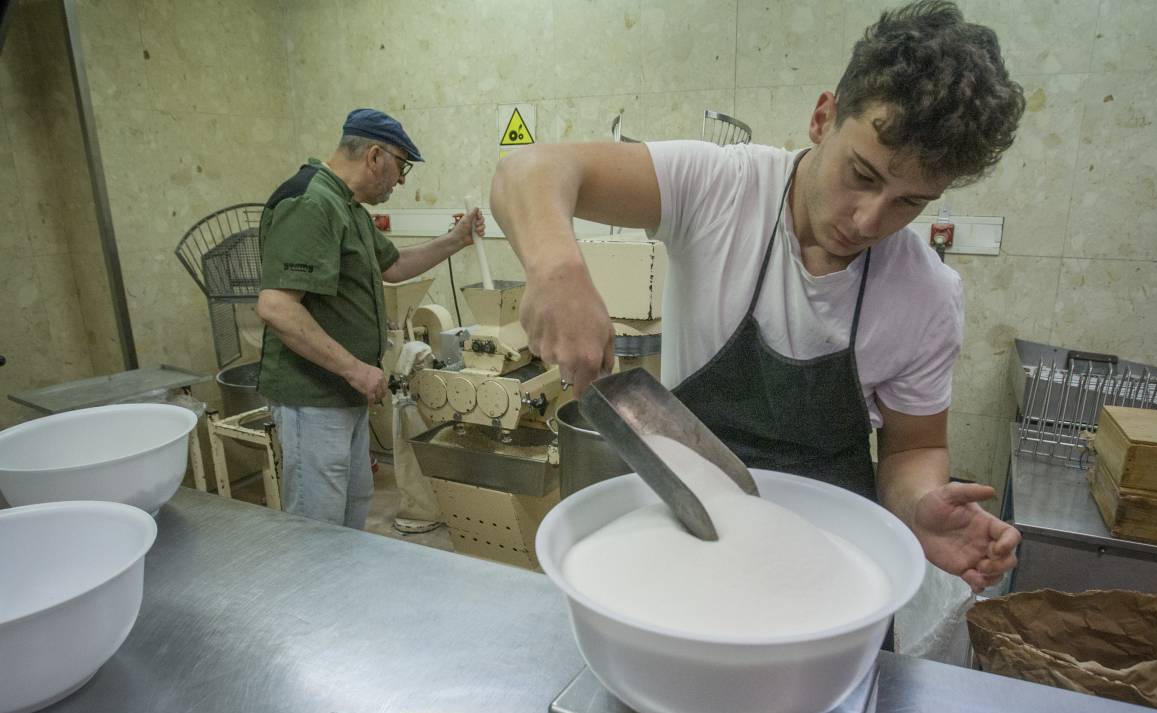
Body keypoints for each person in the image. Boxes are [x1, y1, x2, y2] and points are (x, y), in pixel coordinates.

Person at [490, 1, 1024, 598]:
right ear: (823, 117)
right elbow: (528, 169)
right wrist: (557, 269)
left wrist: (919, 503)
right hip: (692, 532)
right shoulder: (720, 189)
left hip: (826, 559)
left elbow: (914, 447)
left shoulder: (926, 295)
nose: (869, 220)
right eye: (863, 175)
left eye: (910, 202)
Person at [256, 108, 485, 529]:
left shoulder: (347, 207)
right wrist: (355, 369)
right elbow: (277, 307)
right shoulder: (310, 202)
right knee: (318, 525)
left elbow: (393, 266)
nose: (401, 180)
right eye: (402, 166)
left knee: (352, 507)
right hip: (314, 397)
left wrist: (457, 240)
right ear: (375, 156)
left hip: (344, 392)